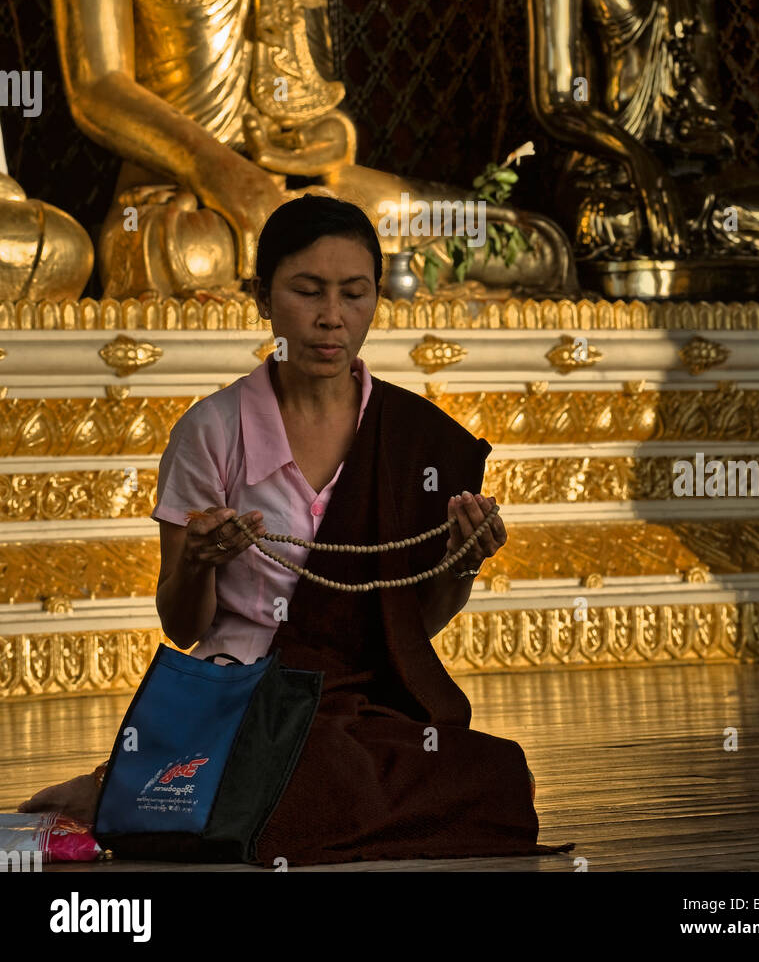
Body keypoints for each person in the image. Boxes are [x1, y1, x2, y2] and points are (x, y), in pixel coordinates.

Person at [21, 195, 553, 864]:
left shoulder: (412, 437)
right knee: (317, 775)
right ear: (261, 297)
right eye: (306, 291)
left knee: (495, 776)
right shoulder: (212, 431)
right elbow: (182, 625)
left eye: (354, 294)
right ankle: (128, 788)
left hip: (359, 703)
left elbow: (412, 628)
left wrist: (459, 563)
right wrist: (199, 563)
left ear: (374, 301)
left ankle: (156, 795)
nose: (331, 317)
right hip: (243, 696)